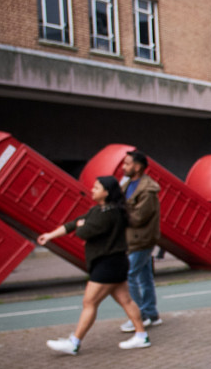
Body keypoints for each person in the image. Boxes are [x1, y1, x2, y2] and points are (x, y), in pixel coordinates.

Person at [38, 176, 151, 354]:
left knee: (89, 302)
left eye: (96, 187)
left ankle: (74, 343)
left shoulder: (108, 214)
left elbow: (83, 232)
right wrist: (50, 235)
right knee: (126, 301)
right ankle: (141, 336)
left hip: (107, 265)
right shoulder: (101, 210)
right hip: (115, 262)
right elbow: (75, 224)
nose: (92, 190)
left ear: (106, 192)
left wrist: (82, 225)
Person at [119, 150, 162, 331]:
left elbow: (137, 218)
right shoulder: (127, 184)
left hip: (141, 240)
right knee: (144, 277)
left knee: (129, 276)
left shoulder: (147, 189)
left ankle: (140, 315)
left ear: (137, 167)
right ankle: (151, 313)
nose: (124, 166)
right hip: (133, 239)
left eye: (127, 163)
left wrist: (119, 211)